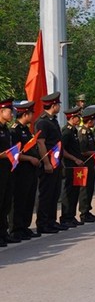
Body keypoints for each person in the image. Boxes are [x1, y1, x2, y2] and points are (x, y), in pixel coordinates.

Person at [35, 91, 68, 233]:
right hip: (48, 164)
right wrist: (47, 163)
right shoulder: (42, 122)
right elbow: (41, 144)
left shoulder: (53, 120)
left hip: (57, 163)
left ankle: (51, 221)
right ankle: (43, 223)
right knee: (46, 194)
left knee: (54, 193)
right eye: (58, 105)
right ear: (53, 105)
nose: (59, 107)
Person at [9, 101, 40, 240]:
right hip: (21, 171)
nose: (33, 115)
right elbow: (14, 153)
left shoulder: (26, 130)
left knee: (29, 199)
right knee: (19, 200)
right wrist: (29, 158)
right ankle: (16, 229)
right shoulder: (14, 131)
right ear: (25, 114)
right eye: (31, 113)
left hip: (31, 171)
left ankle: (24, 226)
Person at [60, 106, 86, 227]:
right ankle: (66, 217)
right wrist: (75, 159)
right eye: (77, 117)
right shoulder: (67, 131)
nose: (79, 119)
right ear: (72, 117)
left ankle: (71, 215)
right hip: (70, 165)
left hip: (77, 166)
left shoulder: (74, 130)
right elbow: (62, 149)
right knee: (69, 191)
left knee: (75, 191)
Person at [77, 107, 95, 222]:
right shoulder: (82, 133)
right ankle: (83, 213)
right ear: (89, 120)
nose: (94, 122)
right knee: (85, 189)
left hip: (91, 164)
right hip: (85, 164)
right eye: (93, 120)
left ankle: (87, 210)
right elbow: (83, 151)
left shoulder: (89, 132)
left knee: (90, 188)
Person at [0, 97, 16, 245]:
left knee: (6, 202)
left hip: (8, 170)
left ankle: (3, 232)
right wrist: (4, 155)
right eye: (10, 112)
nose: (12, 115)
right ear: (1, 111)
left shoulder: (6, 129)